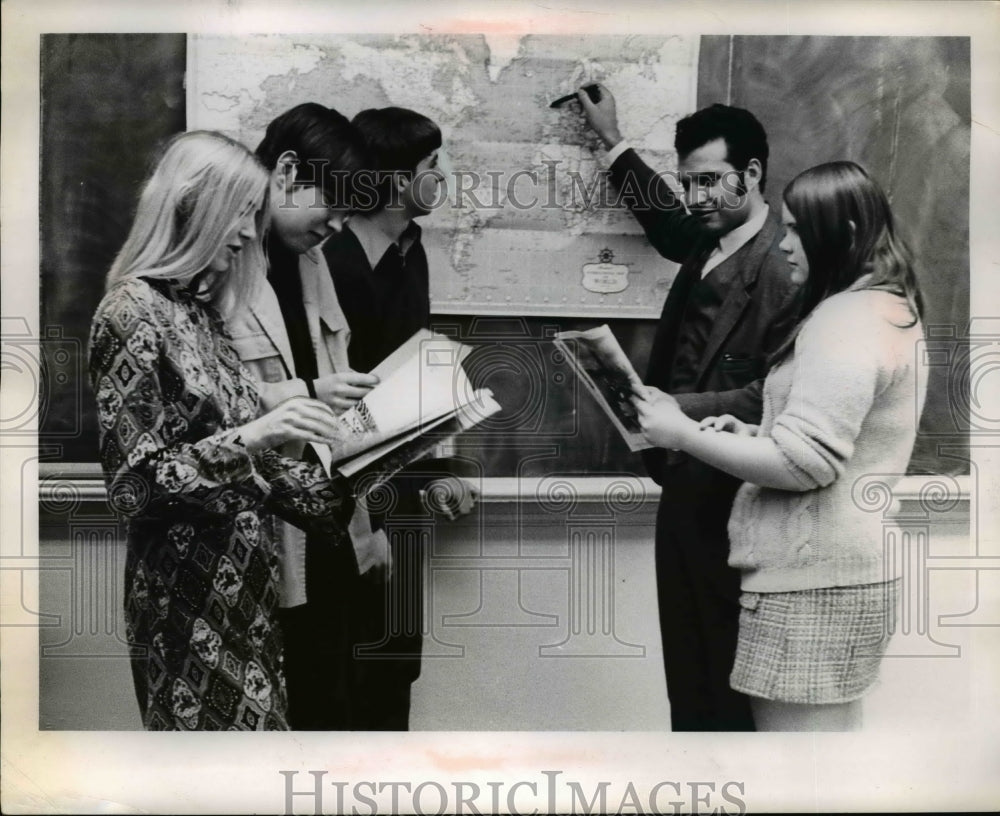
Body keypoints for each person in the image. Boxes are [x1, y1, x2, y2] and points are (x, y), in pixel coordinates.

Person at [635, 161, 926, 731]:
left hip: (812, 581)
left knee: (792, 775)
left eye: (796, 230)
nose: (785, 245)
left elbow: (806, 463)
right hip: (834, 572)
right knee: (823, 765)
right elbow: (833, 444)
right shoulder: (883, 308)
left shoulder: (844, 319)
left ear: (839, 237)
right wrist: (754, 434)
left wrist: (684, 434)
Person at [88, 130, 356, 730]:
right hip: (185, 607)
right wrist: (257, 434)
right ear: (191, 204)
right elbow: (135, 486)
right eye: (240, 212)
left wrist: (367, 466)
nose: (247, 232)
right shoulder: (131, 312)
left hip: (248, 599)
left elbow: (250, 471)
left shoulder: (201, 313)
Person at [577, 87, 802, 731]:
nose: (696, 197)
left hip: (740, 507)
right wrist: (611, 138)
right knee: (689, 681)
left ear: (752, 174)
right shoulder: (709, 233)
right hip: (682, 492)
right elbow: (668, 222)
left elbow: (779, 394)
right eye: (688, 183)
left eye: (709, 181)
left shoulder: (786, 269)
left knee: (727, 688)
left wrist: (677, 408)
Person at [225, 102, 386, 730]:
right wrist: (309, 391)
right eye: (335, 205)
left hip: (326, 526)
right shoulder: (217, 262)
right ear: (288, 173)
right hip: (256, 533)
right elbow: (202, 401)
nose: (338, 226)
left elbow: (336, 392)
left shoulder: (310, 257)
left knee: (331, 708)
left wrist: (366, 530)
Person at [323, 106, 474, 730]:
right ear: (393, 179)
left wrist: (447, 466)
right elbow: (332, 415)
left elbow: (419, 374)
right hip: (345, 510)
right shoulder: (331, 266)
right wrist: (361, 526)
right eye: (432, 165)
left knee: (394, 667)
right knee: (348, 678)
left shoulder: (413, 253)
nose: (443, 177)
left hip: (402, 501)